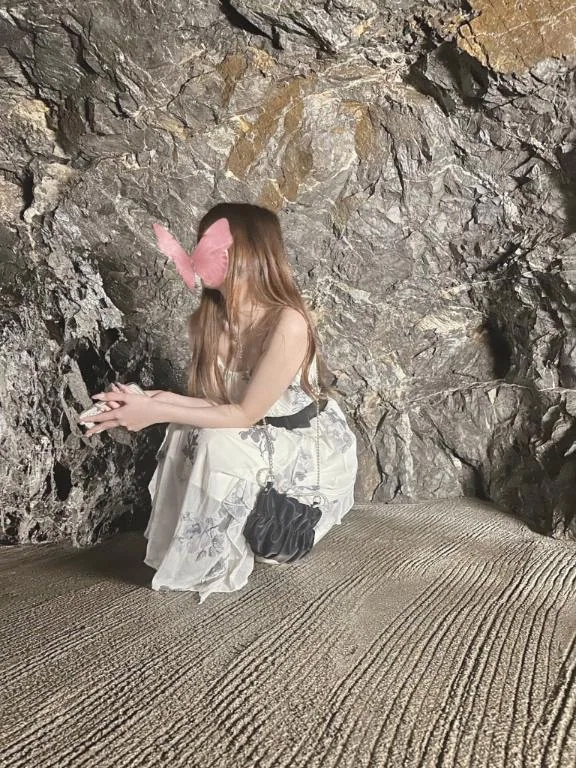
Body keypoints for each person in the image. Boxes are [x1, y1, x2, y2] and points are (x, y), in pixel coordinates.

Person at [80, 202, 358, 601]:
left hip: (298, 447)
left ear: (250, 253)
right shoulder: (212, 319)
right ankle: (202, 547)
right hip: (254, 432)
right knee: (185, 429)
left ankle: (237, 543)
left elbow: (245, 413)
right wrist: (143, 400)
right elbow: (215, 403)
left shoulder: (288, 322)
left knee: (213, 439)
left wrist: (155, 412)